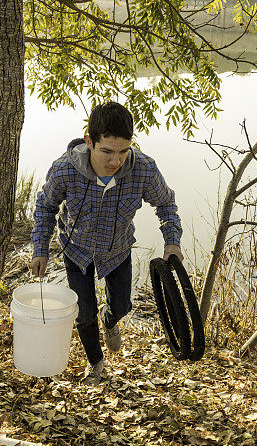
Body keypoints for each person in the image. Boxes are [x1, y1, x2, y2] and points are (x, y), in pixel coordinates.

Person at [30, 101, 183, 385]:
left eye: (124, 151)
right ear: (89, 142)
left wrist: (172, 242)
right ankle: (96, 363)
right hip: (77, 251)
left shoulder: (144, 169)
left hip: (117, 250)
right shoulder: (64, 170)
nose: (116, 161)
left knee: (123, 306)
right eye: (107, 152)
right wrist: (40, 249)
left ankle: (110, 320)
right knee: (83, 312)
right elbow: (44, 207)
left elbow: (166, 204)